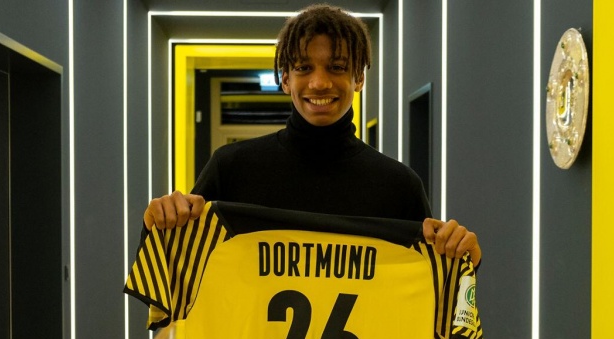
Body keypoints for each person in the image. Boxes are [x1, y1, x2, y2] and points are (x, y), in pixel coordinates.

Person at [142, 3, 480, 264]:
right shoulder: (231, 169)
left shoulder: (399, 186)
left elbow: (436, 301)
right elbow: (173, 280)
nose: (319, 82)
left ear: (359, 79)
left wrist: (463, 259)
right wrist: (158, 224)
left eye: (337, 67)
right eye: (304, 68)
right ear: (285, 79)